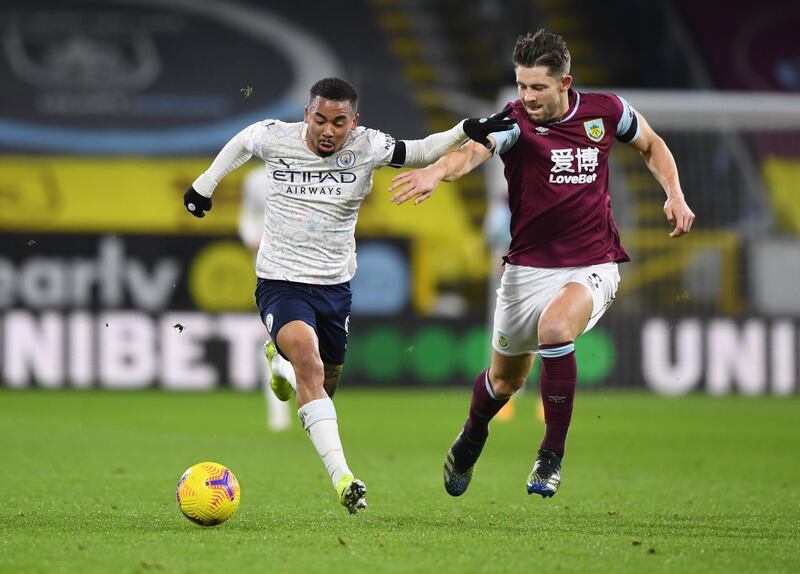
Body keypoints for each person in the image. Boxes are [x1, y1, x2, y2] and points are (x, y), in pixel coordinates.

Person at [389, 29, 695, 499]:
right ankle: (472, 435)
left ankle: (550, 456)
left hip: (593, 263)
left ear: (565, 83)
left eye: (537, 88)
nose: (526, 97)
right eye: (521, 86)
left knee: (556, 329)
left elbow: (651, 145)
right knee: (504, 382)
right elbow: (473, 151)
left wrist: (673, 193)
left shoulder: (606, 112)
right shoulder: (514, 121)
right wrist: (434, 170)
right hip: (526, 270)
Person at [183, 77, 504, 513]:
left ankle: (278, 363)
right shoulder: (277, 137)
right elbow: (242, 141)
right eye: (319, 120)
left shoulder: (369, 147)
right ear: (306, 116)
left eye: (338, 122)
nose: (327, 131)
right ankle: (345, 479)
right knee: (309, 362)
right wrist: (204, 185)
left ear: (355, 122)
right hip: (281, 281)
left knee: (322, 385)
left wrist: (467, 127)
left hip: (334, 289)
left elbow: (424, 151)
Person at [238, 166, 292, 432]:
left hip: (306, 260)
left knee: (301, 338)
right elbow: (247, 217)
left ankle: (287, 377)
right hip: (269, 266)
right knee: (275, 335)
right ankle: (278, 413)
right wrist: (253, 240)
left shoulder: (309, 170)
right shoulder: (255, 180)